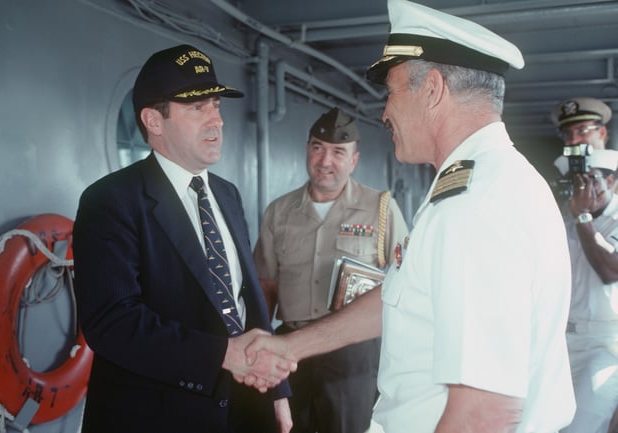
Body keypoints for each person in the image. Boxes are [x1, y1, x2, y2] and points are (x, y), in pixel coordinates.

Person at [245, 1, 576, 432]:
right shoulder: (475, 187)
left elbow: (483, 413)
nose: (385, 112)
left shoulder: (477, 205)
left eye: (393, 90)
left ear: (433, 89)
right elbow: (397, 299)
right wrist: (289, 346)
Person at [72, 44, 295, 433]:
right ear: (154, 122)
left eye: (217, 106)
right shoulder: (110, 200)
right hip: (158, 415)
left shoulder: (226, 194)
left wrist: (277, 389)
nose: (217, 121)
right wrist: (224, 354)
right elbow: (112, 321)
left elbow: (249, 298)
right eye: (197, 108)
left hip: (244, 406)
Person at [253, 107, 409, 433]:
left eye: (339, 152)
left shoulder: (381, 208)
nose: (325, 161)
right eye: (317, 148)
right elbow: (265, 285)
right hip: (291, 350)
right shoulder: (279, 212)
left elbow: (405, 286)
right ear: (307, 150)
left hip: (351, 354)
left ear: (353, 160)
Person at [561, 149, 618, 433]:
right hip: (562, 340)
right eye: (578, 181)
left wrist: (583, 217)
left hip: (604, 343)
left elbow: (610, 270)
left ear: (612, 182)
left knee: (582, 426)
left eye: (592, 180)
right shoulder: (567, 218)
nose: (584, 189)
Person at [552, 97, 613, 177]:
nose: (573, 140)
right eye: (567, 133)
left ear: (602, 132)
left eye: (582, 131)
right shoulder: (557, 173)